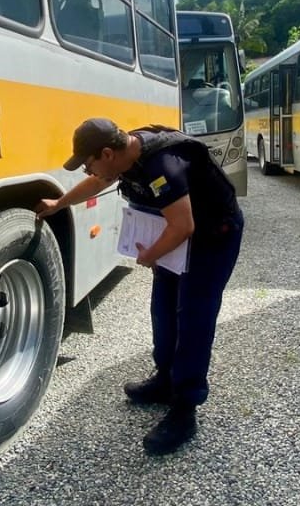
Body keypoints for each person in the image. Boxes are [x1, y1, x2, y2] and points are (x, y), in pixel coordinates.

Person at [35, 118, 244, 455]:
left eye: (89, 162)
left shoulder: (163, 165)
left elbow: (183, 225)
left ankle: (185, 410)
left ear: (107, 152)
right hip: (175, 237)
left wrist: (150, 256)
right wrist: (58, 204)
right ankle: (165, 378)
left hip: (212, 236)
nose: (89, 170)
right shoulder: (123, 155)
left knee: (194, 315)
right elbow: (96, 182)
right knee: (163, 306)